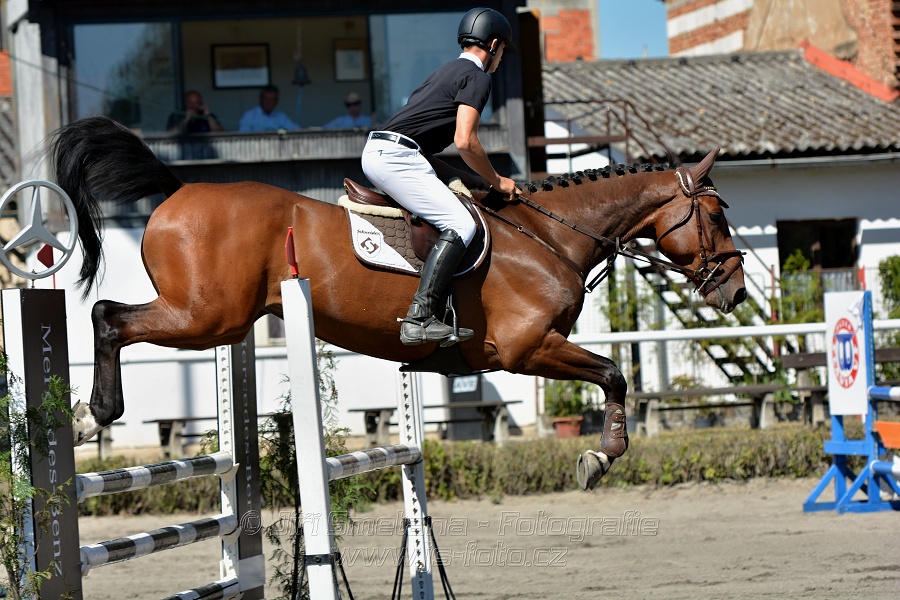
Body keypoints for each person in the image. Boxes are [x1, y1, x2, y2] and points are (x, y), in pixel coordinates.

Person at [361, 7, 522, 347]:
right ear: (493, 44)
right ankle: (419, 318)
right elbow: (465, 141)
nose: (502, 57)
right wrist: (498, 181)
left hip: (392, 152)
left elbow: (432, 149)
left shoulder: (449, 70)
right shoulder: (478, 77)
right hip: (396, 157)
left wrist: (471, 178)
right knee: (463, 225)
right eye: (504, 50)